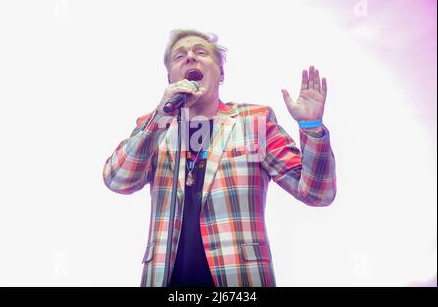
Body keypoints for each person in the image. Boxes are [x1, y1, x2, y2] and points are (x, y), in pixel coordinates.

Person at [102, 29, 337, 287]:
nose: (190, 56)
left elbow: (317, 193)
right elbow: (117, 179)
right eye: (180, 55)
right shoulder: (155, 127)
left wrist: (312, 127)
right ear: (169, 77)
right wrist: (160, 116)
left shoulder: (254, 122)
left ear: (221, 73)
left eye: (201, 52)